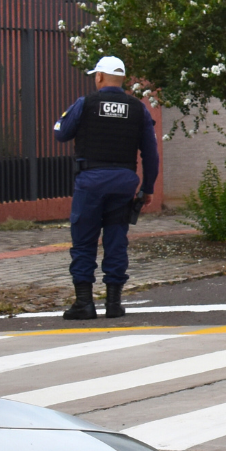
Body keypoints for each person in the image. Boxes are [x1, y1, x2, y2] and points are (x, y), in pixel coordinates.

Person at [53, 54, 159, 321]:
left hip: (90, 182)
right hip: (124, 183)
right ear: (122, 79)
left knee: (84, 241)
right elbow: (150, 152)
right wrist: (148, 188)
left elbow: (61, 133)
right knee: (115, 241)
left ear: (99, 77)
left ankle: (84, 304)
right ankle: (114, 303)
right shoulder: (138, 108)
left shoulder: (86, 103)